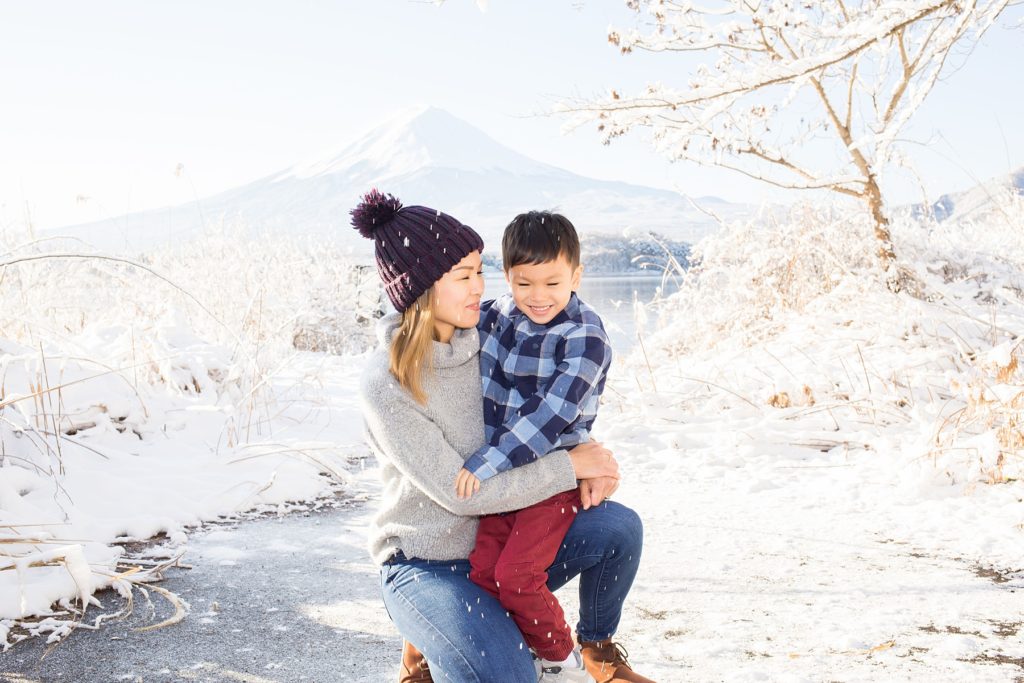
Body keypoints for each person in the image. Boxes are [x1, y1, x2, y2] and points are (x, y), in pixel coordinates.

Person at [353, 189, 648, 683]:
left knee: (618, 528)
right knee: (505, 676)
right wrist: (570, 466)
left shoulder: (491, 334)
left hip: (501, 542)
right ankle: (430, 642)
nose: (479, 287)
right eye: (463, 276)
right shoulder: (387, 383)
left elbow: (547, 407)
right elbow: (461, 492)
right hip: (427, 561)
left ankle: (596, 650)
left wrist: (589, 456)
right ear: (423, 287)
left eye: (480, 271)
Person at [452, 211, 644, 682]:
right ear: (508, 277)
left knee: (517, 574)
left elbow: (548, 418)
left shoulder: (586, 337)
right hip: (500, 481)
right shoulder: (497, 317)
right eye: (524, 283)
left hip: (550, 479)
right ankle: (506, 654)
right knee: (483, 574)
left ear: (576, 276)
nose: (538, 298)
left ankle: (564, 661)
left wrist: (486, 462)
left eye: (553, 283)